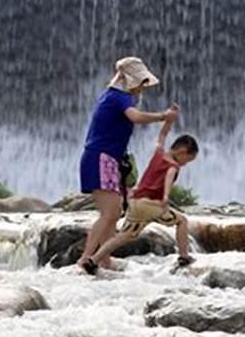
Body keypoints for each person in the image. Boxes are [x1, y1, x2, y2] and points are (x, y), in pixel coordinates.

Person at [78, 56, 178, 270]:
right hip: (101, 158)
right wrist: (163, 116)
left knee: (112, 214)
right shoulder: (118, 98)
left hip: (106, 158)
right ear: (129, 80)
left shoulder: (112, 97)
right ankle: (86, 259)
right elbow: (135, 117)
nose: (141, 89)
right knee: (110, 213)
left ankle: (103, 260)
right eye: (140, 83)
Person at [80, 116, 199, 275]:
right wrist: (165, 197)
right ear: (182, 151)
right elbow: (169, 178)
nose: (185, 164)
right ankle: (184, 256)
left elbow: (162, 135)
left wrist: (168, 122)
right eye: (188, 160)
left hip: (136, 203)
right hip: (152, 205)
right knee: (182, 221)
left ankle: (93, 260)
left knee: (123, 236)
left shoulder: (159, 153)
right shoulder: (173, 166)